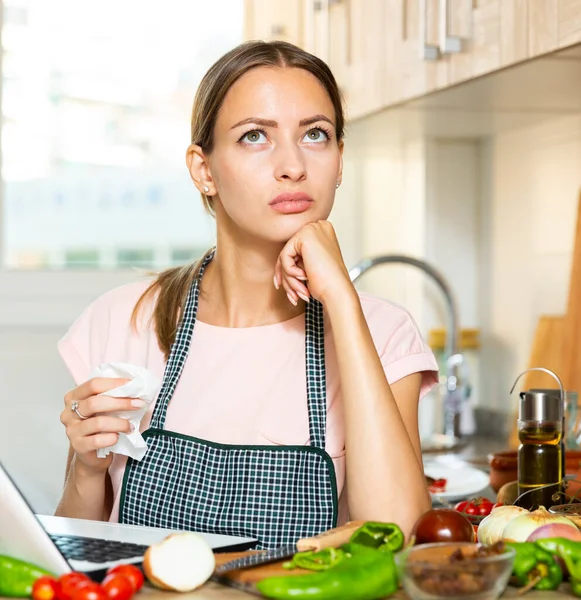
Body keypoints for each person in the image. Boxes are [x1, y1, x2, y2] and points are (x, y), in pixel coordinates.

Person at [55, 40, 439, 549]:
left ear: (340, 162)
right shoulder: (124, 319)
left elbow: (400, 537)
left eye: (316, 135)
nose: (293, 166)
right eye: (255, 136)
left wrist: (343, 304)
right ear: (203, 170)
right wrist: (87, 469)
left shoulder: (384, 333)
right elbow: (80, 547)